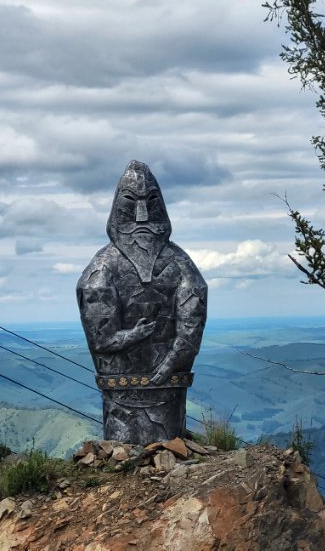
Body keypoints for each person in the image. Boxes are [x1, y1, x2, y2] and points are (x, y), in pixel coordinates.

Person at [76, 160, 207, 443]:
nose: (142, 215)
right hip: (120, 393)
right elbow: (101, 338)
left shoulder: (178, 262)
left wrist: (169, 364)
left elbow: (191, 320)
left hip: (168, 391)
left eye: (150, 202)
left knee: (168, 439)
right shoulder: (103, 267)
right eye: (131, 203)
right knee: (124, 441)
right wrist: (136, 335)